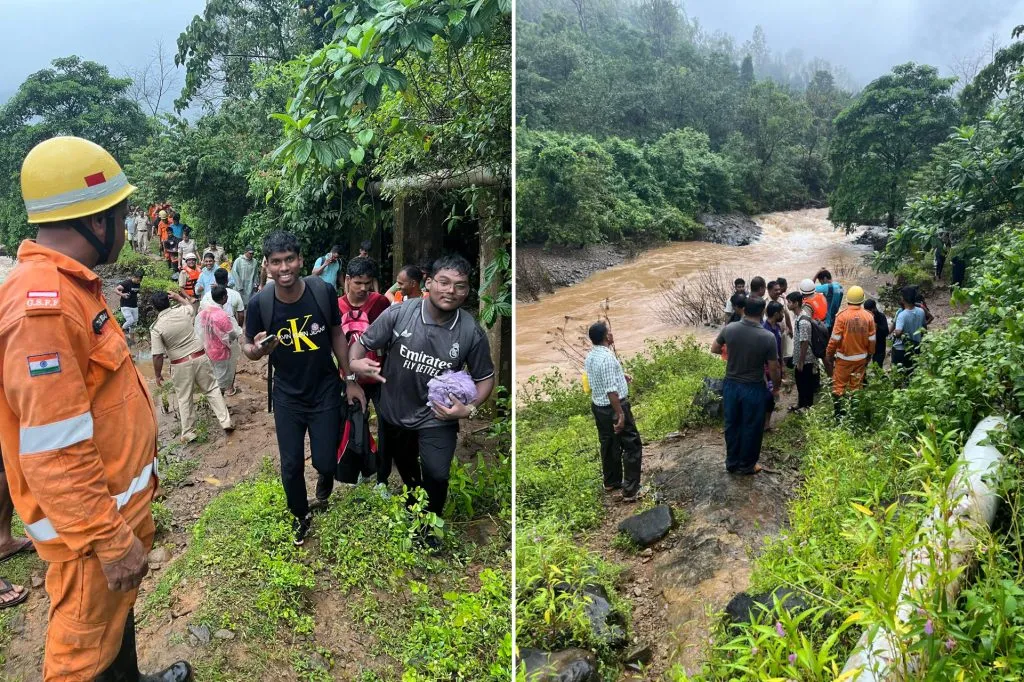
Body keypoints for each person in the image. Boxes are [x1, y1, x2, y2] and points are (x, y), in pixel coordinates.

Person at [0, 136, 191, 681]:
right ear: (95, 221)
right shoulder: (45, 307)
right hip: (89, 536)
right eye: (120, 212)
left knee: (116, 621)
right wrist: (108, 541)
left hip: (110, 516)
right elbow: (54, 449)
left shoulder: (72, 287)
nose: (126, 225)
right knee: (80, 658)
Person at [351, 254, 495, 538]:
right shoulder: (399, 313)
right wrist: (355, 364)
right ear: (429, 283)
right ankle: (414, 503)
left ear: (467, 291)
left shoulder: (470, 332)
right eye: (444, 282)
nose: (450, 291)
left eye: (460, 286)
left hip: (438, 416)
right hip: (395, 413)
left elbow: (485, 378)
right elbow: (362, 344)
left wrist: (469, 409)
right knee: (409, 472)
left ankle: (430, 529)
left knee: (437, 474)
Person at [243, 232, 365, 546]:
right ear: (267, 265)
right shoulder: (261, 303)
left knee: (326, 462)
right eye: (276, 262)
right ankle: (300, 514)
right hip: (286, 395)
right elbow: (247, 344)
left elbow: (338, 335)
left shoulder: (322, 291)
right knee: (291, 464)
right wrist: (256, 351)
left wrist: (350, 380)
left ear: (300, 260)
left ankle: (323, 489)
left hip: (324, 389)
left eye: (290, 260)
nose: (284, 268)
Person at [150, 290, 234, 443]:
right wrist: (179, 297)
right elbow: (191, 305)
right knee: (212, 389)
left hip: (180, 363)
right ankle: (226, 421)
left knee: (184, 398)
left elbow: (157, 355)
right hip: (200, 355)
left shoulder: (156, 328)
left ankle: (189, 432)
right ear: (169, 301)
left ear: (154, 307)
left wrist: (157, 374)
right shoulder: (182, 311)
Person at [711, 297, 780, 474]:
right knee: (752, 425)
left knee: (732, 423)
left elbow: (715, 349)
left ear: (743, 310)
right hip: (753, 386)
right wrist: (776, 388)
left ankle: (732, 462)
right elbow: (774, 368)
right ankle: (747, 465)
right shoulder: (767, 337)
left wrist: (733, 352)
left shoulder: (730, 328)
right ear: (763, 312)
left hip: (731, 384)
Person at [337, 257, 392, 483]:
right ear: (347, 280)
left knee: (386, 426)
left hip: (379, 376)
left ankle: (383, 478)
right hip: (350, 379)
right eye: (358, 283)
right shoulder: (335, 305)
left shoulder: (380, 303)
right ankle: (361, 468)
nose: (363, 288)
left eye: (367, 283)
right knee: (355, 425)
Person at [583, 322, 642, 502]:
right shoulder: (607, 358)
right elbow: (611, 392)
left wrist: (621, 376)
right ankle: (631, 490)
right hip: (614, 407)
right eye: (609, 332)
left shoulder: (591, 356)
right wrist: (621, 415)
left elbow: (598, 377)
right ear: (606, 337)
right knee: (632, 444)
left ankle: (611, 482)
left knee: (608, 443)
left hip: (599, 407)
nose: (612, 334)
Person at [825, 285, 875, 417]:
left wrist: (829, 354)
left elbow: (834, 339)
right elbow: (872, 339)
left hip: (844, 359)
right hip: (860, 359)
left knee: (838, 387)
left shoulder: (842, 316)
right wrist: (869, 355)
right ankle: (854, 413)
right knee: (856, 387)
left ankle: (839, 415)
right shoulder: (868, 317)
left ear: (848, 300)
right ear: (862, 300)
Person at [198, 286, 241, 396]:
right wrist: (238, 333)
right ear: (224, 298)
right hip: (220, 351)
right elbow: (231, 334)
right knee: (221, 380)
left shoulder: (204, 312)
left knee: (212, 376)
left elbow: (201, 329)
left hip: (208, 349)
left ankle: (214, 402)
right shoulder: (221, 315)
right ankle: (219, 404)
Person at [786, 290, 820, 411]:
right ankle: (801, 404)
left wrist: (800, 361)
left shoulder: (803, 321)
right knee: (800, 381)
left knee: (806, 382)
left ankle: (807, 406)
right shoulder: (799, 316)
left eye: (789, 302)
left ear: (796, 303)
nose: (787, 304)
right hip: (800, 357)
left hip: (806, 359)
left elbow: (804, 342)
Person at [892, 286, 926, 372]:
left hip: (901, 349)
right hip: (916, 347)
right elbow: (923, 327)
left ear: (904, 299)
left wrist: (895, 333)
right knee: (912, 372)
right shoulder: (921, 311)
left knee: (899, 373)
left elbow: (898, 333)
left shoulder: (902, 315)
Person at [762, 300, 784, 429]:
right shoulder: (765, 330)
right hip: (767, 367)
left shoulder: (778, 327)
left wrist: (783, 366)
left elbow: (780, 347)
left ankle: (767, 422)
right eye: (781, 312)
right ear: (776, 314)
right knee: (768, 395)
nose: (782, 314)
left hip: (777, 365)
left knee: (774, 393)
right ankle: (764, 422)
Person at [768, 279, 794, 372]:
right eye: (776, 290)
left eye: (779, 289)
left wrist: (790, 328)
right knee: (773, 354)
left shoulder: (783, 300)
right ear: (769, 290)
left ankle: (782, 369)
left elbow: (786, 314)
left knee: (782, 351)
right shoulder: (765, 302)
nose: (779, 292)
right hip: (770, 331)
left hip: (782, 331)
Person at [116, 270, 143, 336]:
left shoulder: (138, 284)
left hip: (134, 305)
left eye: (140, 280)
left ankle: (131, 338)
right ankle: (120, 331)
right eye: (138, 280)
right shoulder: (126, 283)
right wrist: (122, 295)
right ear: (134, 277)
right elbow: (116, 289)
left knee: (134, 323)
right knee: (130, 320)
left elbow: (136, 292)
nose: (139, 282)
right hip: (125, 305)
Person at [863, 299, 889, 367]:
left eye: (870, 311)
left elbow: (886, 332)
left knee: (878, 367)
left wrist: (877, 327)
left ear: (874, 308)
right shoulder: (864, 317)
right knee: (863, 367)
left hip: (879, 347)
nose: (868, 313)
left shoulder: (881, 317)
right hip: (866, 347)